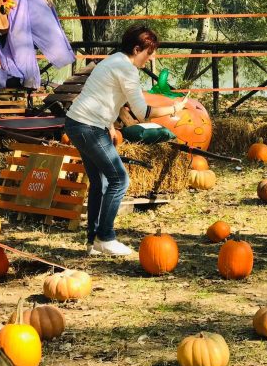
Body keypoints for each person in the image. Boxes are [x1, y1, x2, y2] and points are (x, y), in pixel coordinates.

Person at [65, 24, 187, 256]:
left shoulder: (112, 61)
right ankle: (106, 237)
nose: (151, 59)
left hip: (77, 123)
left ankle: (93, 242)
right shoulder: (127, 68)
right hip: (88, 127)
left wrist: (110, 124)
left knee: (100, 183)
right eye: (149, 53)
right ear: (137, 48)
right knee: (119, 179)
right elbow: (142, 112)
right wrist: (174, 108)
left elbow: (105, 95)